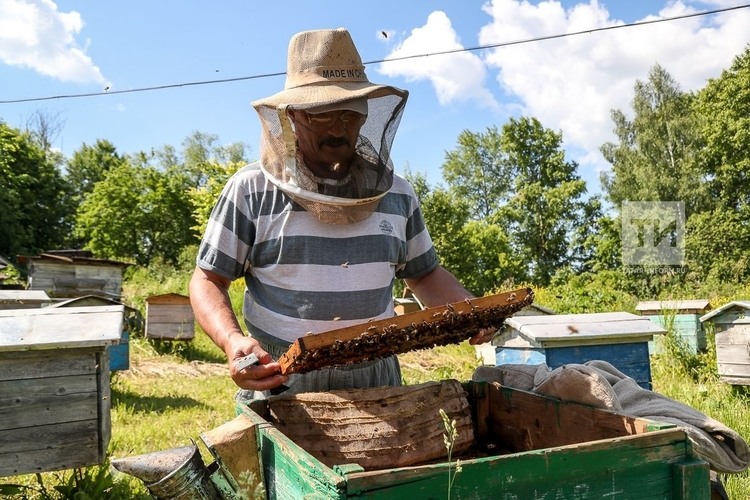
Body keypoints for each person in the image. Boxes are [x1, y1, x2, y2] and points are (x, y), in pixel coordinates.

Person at [189, 28, 488, 404]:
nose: (337, 127)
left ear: (365, 115)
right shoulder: (250, 189)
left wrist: (469, 309)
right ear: (293, 115)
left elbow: (424, 274)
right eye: (322, 114)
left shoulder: (398, 194)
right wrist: (233, 342)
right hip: (282, 378)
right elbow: (208, 278)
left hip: (378, 377)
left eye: (348, 113)